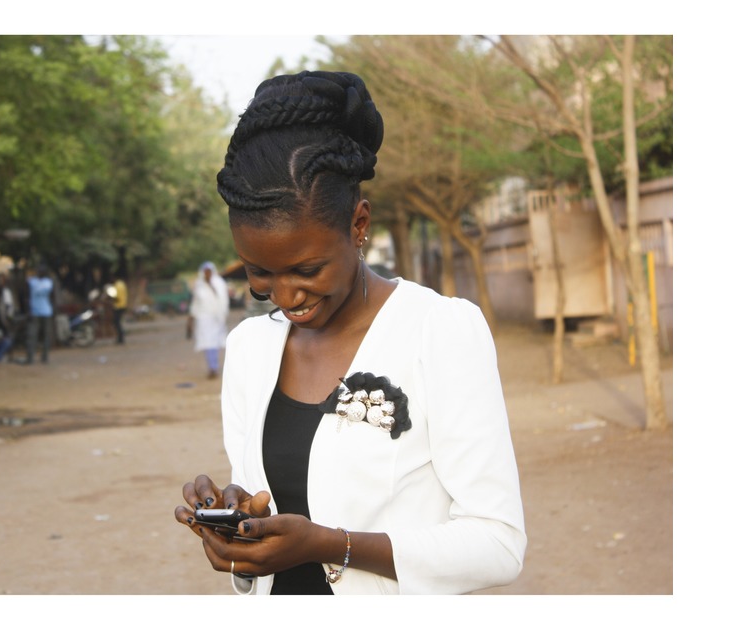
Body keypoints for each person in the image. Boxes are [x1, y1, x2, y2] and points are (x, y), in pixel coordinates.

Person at [173, 71, 525, 595]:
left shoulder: (438, 331)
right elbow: (269, 530)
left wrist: (330, 545)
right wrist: (241, 535)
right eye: (259, 272)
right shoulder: (250, 348)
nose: (284, 296)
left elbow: (498, 545)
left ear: (358, 225)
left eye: (306, 269)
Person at [187, 261, 230, 379]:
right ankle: (212, 367)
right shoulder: (199, 284)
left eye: (209, 271)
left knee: (215, 341)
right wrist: (191, 317)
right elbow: (195, 302)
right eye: (205, 271)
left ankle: (214, 366)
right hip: (203, 317)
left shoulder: (219, 283)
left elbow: (223, 300)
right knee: (207, 341)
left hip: (217, 317)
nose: (207, 273)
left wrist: (223, 315)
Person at [24, 265, 55, 364]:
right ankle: (30, 358)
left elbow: (52, 297)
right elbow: (26, 297)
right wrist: (28, 310)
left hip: (46, 312)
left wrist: (53, 310)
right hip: (34, 312)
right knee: (32, 335)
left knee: (46, 336)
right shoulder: (31, 282)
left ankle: (44, 357)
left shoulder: (49, 282)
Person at [110, 273, 128, 345]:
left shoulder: (117, 285)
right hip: (123, 305)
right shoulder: (122, 284)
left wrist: (111, 299)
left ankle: (120, 338)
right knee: (118, 322)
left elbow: (116, 297)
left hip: (118, 306)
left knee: (116, 322)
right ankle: (120, 337)